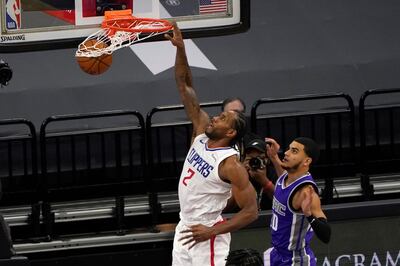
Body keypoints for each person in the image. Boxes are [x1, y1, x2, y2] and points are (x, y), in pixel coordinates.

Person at [165, 23, 258, 266]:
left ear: (230, 131)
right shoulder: (201, 130)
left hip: (207, 235)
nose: (216, 116)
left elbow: (251, 211)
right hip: (185, 226)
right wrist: (181, 50)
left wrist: (212, 232)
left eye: (223, 118)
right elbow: (185, 86)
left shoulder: (230, 164)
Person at [263, 137, 331, 266]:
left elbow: (326, 235)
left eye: (294, 151)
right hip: (276, 254)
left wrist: (309, 214)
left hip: (295, 260)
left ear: (307, 161)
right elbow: (282, 176)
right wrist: (273, 157)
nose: (287, 153)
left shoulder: (305, 191)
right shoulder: (286, 176)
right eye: (289, 149)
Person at [242, 133, 276, 208]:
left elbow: (282, 201)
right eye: (250, 158)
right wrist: (241, 177)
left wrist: (264, 181)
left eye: (259, 158)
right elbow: (226, 207)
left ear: (267, 160)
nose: (255, 162)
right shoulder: (238, 174)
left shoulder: (274, 173)